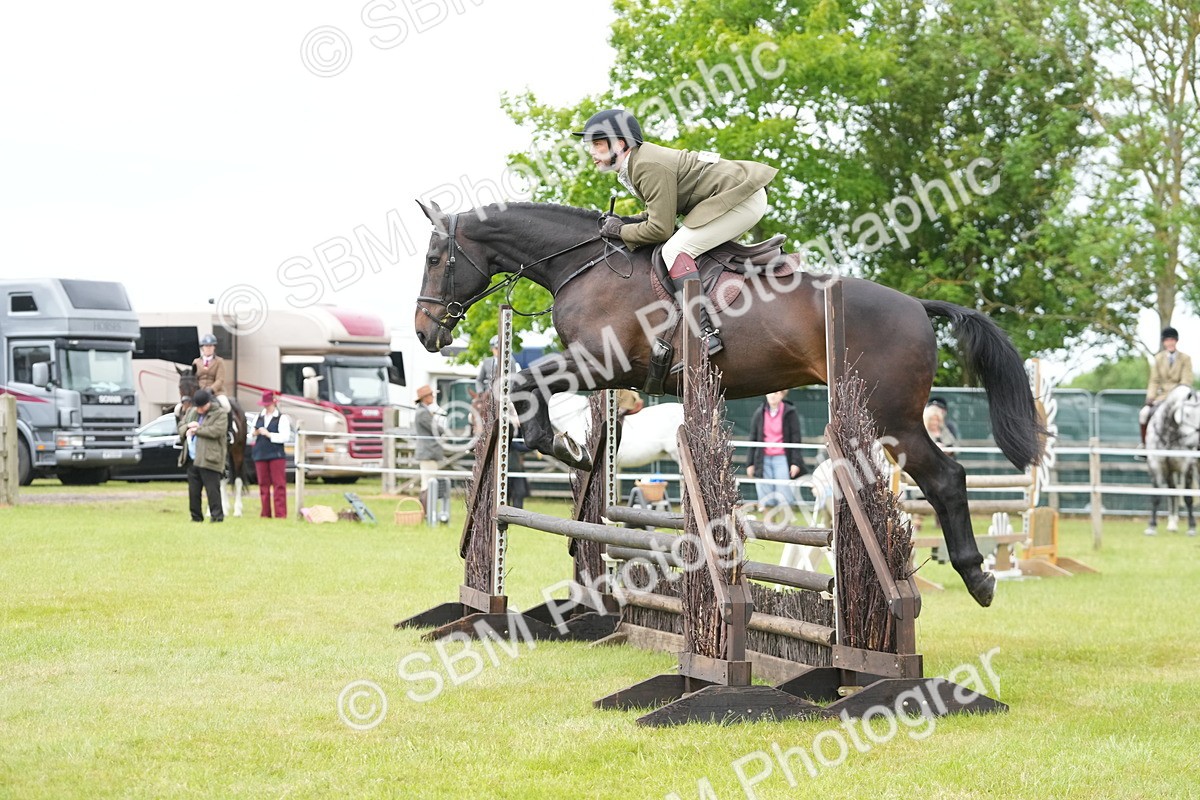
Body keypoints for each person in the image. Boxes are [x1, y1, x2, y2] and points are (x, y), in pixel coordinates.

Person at [572, 108, 779, 357]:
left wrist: (622, 231)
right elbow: (656, 213)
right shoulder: (637, 162)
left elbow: (661, 229)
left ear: (620, 143)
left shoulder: (647, 165)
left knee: (674, 251)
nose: (591, 152)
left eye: (597, 144)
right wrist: (626, 223)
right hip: (731, 197)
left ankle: (704, 332)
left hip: (742, 200)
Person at [745, 390, 806, 511]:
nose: (773, 396)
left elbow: (796, 438)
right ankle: (768, 522)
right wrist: (750, 463)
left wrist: (795, 462)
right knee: (765, 496)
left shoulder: (790, 412)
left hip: (782, 458)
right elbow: (753, 438)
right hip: (763, 459)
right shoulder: (759, 412)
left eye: (776, 393)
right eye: (770, 393)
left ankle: (785, 522)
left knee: (784, 493)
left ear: (782, 394)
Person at [178, 389, 228, 523]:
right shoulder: (191, 412)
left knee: (212, 490)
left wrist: (197, 430)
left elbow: (217, 431)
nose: (199, 410)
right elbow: (181, 426)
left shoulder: (220, 414)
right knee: (193, 491)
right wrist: (188, 426)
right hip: (192, 458)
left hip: (209, 458)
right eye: (197, 407)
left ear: (208, 403)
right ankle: (196, 517)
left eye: (202, 407)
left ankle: (217, 516)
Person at [1140, 326, 1194, 447]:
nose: (1170, 343)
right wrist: (1150, 397)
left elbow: (1186, 380)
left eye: (1172, 340)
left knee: (1194, 415)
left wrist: (1178, 394)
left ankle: (1196, 445)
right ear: (1164, 342)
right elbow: (1154, 380)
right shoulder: (1158, 358)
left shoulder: (1185, 358)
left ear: (1176, 341)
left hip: (1180, 397)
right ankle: (1144, 444)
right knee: (1144, 414)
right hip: (1162, 397)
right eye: (1167, 340)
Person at [250, 390, 291, 519]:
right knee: (263, 484)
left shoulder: (281, 418)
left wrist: (269, 434)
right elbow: (250, 435)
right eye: (265, 404)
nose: (266, 407)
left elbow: (285, 437)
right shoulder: (258, 417)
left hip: (276, 454)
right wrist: (255, 433)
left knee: (279, 484)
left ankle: (280, 513)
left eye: (268, 404)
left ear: (274, 403)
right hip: (260, 454)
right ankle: (265, 513)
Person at [413, 384, 445, 512]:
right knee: (428, 484)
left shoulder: (424, 411)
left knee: (427, 483)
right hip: (428, 452)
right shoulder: (423, 413)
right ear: (424, 397)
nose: (433, 397)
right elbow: (436, 429)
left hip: (428, 452)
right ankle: (426, 511)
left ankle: (425, 511)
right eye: (431, 395)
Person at [192, 333, 231, 412]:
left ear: (214, 347)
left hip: (216, 393)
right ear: (202, 348)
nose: (208, 348)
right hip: (199, 392)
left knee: (226, 406)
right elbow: (193, 378)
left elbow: (220, 379)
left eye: (211, 346)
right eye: (206, 346)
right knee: (181, 408)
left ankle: (228, 420)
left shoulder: (219, 361)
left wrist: (211, 389)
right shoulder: (196, 362)